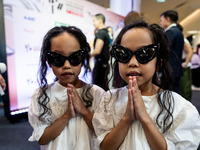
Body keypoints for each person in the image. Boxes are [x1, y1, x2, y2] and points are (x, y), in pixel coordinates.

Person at [92, 21, 200, 150]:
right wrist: (126, 118)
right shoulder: (109, 99)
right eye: (124, 54)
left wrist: (144, 117)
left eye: (143, 54)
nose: (132, 63)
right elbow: (104, 147)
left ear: (158, 63)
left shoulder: (178, 107)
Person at [28, 26, 105, 150]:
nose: (66, 65)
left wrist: (84, 111)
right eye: (58, 58)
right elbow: (42, 138)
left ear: (83, 59)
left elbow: (104, 132)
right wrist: (67, 115)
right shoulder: (41, 95)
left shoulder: (97, 93)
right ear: (49, 61)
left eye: (74, 58)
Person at [160, 10, 184, 94]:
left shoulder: (170, 32)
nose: (161, 23)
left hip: (170, 69)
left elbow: (165, 49)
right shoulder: (178, 31)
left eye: (161, 20)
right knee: (175, 93)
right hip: (176, 68)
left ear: (168, 19)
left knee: (169, 94)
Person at [90, 13, 110, 91]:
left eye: (94, 21)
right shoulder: (106, 33)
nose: (93, 23)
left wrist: (87, 55)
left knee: (97, 88)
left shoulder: (101, 33)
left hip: (100, 65)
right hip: (105, 64)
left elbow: (97, 50)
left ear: (100, 21)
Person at [176, 24, 193, 101]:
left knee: (185, 87)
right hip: (181, 64)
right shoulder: (180, 39)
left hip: (184, 66)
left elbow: (190, 51)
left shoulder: (183, 39)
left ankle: (187, 106)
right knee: (182, 88)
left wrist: (185, 63)